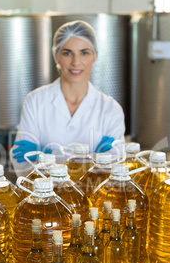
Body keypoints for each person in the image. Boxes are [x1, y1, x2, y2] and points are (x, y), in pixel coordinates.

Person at [10, 20, 125, 176]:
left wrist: (47, 156)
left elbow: (115, 168)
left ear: (95, 56)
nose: (76, 62)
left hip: (92, 198)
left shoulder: (111, 109)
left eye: (84, 52)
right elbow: (22, 165)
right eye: (67, 53)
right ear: (56, 56)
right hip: (45, 198)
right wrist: (93, 160)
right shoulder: (35, 101)